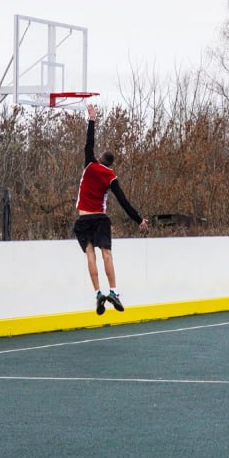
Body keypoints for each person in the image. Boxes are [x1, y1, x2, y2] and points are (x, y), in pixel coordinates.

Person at [73, 103, 148, 315]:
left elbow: (89, 143)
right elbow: (123, 201)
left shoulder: (89, 165)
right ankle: (113, 291)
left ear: (99, 159)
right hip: (100, 219)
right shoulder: (110, 176)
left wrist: (92, 118)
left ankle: (98, 293)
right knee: (107, 254)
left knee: (90, 255)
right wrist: (139, 219)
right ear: (111, 164)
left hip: (83, 220)